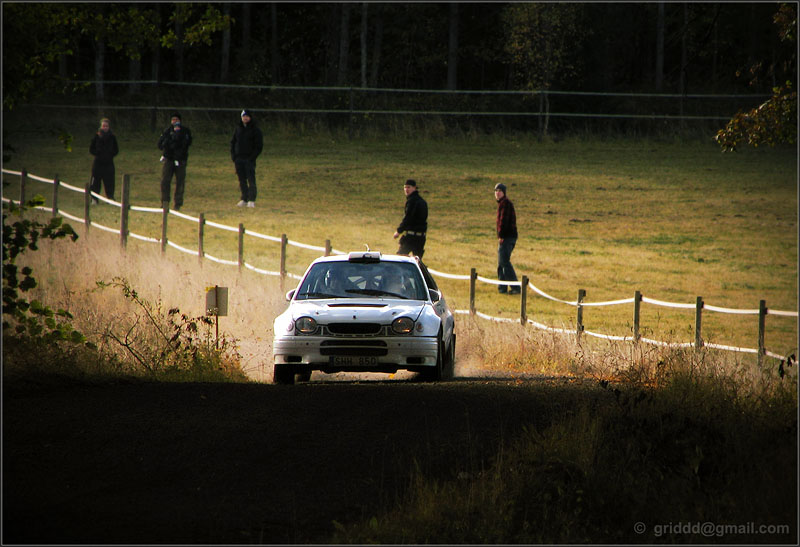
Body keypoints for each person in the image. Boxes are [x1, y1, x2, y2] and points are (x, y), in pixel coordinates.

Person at [157, 111, 193, 211]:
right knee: (165, 181)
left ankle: (178, 203)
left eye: (176, 120)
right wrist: (169, 143)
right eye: (173, 119)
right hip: (169, 159)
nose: (174, 121)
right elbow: (160, 144)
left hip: (180, 160)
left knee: (180, 182)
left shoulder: (185, 131)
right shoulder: (167, 131)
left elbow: (186, 144)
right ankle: (165, 202)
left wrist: (177, 137)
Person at [230, 109, 264, 208]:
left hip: (249, 159)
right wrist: (234, 156)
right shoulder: (238, 129)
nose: (245, 118)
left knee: (251, 179)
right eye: (243, 116)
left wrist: (252, 158)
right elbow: (233, 142)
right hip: (238, 159)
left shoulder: (255, 130)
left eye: (247, 116)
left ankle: (251, 199)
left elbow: (259, 146)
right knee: (242, 180)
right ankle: (244, 198)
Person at [494, 182, 519, 295]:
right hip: (507, 237)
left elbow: (503, 222)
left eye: (500, 191)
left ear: (504, 193)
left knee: (504, 262)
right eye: (496, 191)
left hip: (507, 237)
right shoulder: (502, 203)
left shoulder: (505, 204)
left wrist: (501, 236)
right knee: (501, 262)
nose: (497, 193)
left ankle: (516, 287)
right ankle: (502, 287)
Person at [393, 179, 428, 258]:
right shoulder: (422, 201)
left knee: (400, 258)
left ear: (414, 188)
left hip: (411, 237)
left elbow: (408, 218)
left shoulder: (412, 201)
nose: (406, 189)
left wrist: (399, 231)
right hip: (421, 237)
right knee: (417, 261)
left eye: (408, 187)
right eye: (405, 187)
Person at [89, 117, 119, 204]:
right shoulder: (96, 136)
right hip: (98, 163)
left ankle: (110, 198)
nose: (105, 128)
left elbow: (116, 150)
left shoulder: (112, 137)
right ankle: (94, 199)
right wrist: (98, 153)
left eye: (106, 126)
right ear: (101, 127)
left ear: (109, 127)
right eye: (103, 126)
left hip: (109, 163)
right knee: (95, 182)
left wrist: (110, 155)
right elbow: (91, 149)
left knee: (110, 181)